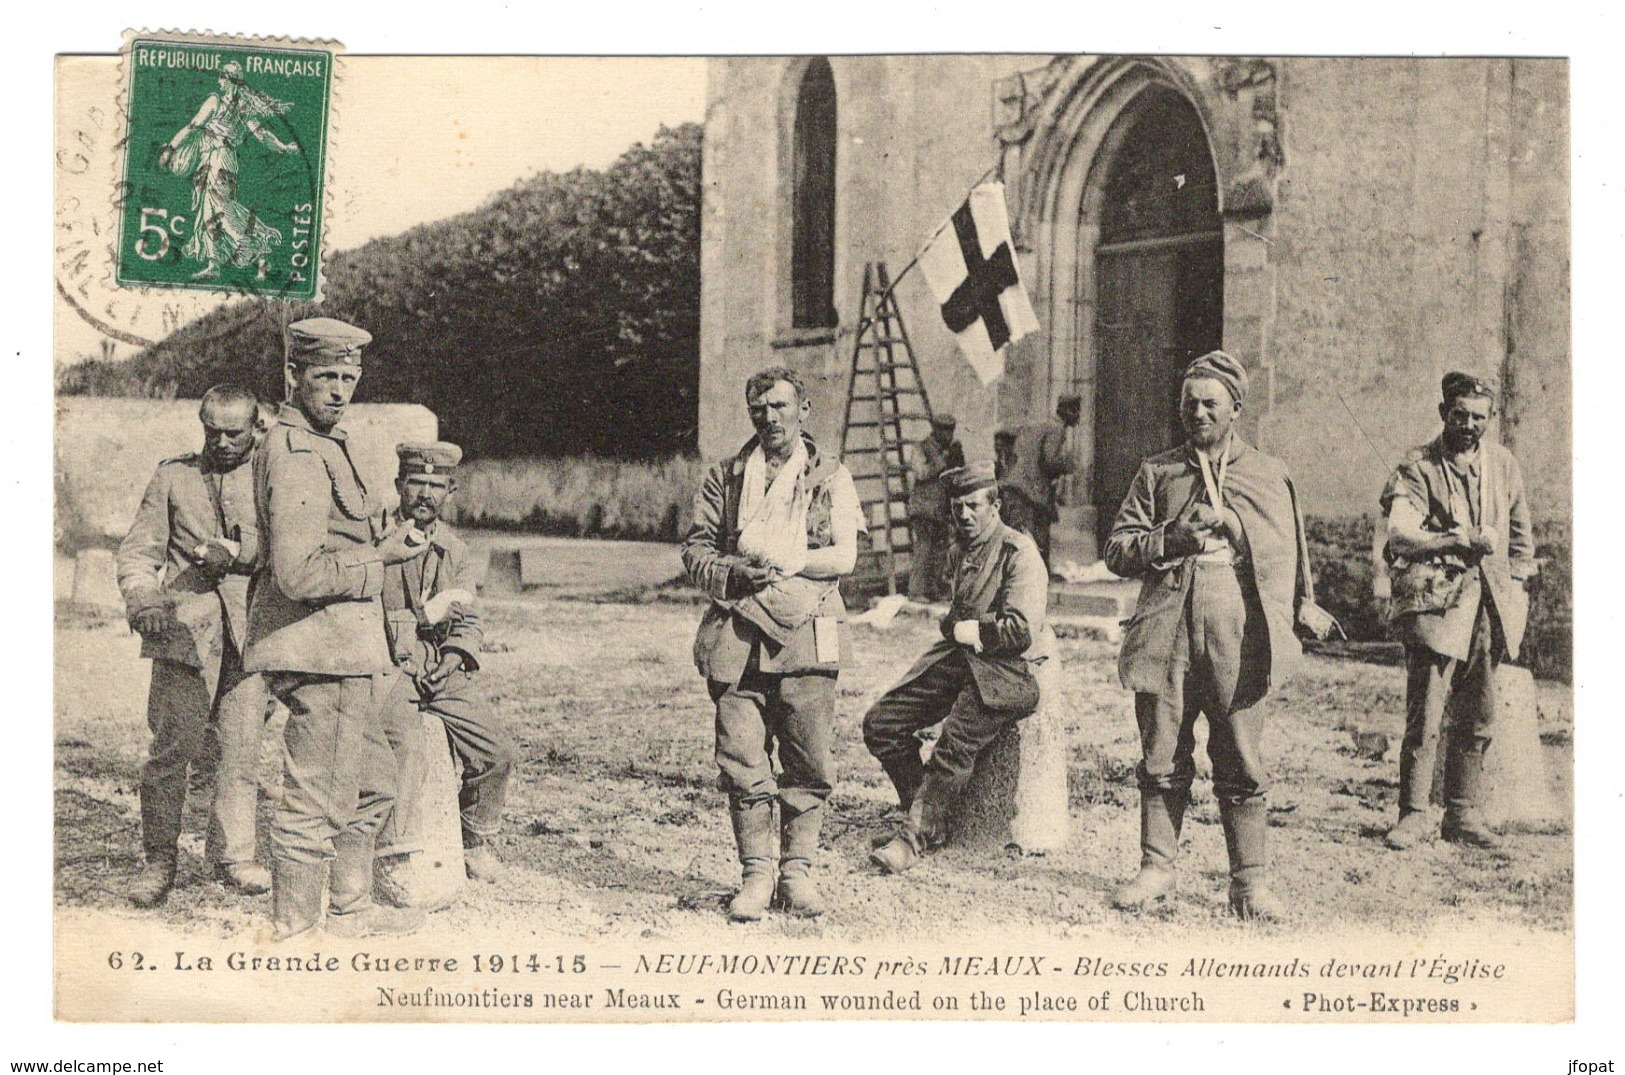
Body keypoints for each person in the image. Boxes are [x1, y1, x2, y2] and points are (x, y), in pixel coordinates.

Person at [1104, 351, 1325, 921]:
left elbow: (1289, 556)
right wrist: (1171, 537)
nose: (1197, 413)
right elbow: (1118, 551)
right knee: (1160, 751)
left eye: (1210, 404)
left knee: (1242, 755)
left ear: (1236, 410)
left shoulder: (1267, 474)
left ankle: (1249, 883)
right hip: (1168, 629)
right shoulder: (1158, 473)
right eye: (1189, 403)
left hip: (1239, 632)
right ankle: (1156, 869)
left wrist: (1238, 527)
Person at [244, 317, 431, 940]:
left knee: (373, 784)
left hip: (352, 651)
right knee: (316, 802)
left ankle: (349, 911)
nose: (339, 391)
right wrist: (382, 558)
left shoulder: (328, 443)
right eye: (326, 376)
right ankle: (295, 937)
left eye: (349, 378)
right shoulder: (297, 452)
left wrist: (381, 542)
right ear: (292, 376)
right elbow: (297, 574)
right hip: (322, 652)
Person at [681, 366, 861, 921]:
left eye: (781, 407)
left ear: (803, 410)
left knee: (808, 759)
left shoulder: (832, 476)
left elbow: (846, 557)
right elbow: (696, 551)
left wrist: (793, 562)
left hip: (809, 631)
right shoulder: (727, 478)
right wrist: (734, 575)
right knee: (740, 757)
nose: (770, 418)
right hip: (737, 632)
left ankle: (798, 873)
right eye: (759, 409)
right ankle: (757, 874)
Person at [116, 384, 272, 907]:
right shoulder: (173, 476)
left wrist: (242, 551)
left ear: (257, 428)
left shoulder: (274, 474)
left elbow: (290, 547)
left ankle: (233, 857)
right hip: (184, 636)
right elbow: (139, 553)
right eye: (213, 432)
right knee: (169, 753)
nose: (223, 443)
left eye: (235, 432)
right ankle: (158, 860)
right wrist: (146, 605)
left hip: (252, 636)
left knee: (241, 752)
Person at [865, 462, 1052, 873]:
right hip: (960, 659)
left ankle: (913, 839)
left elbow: (1019, 630)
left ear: (996, 505)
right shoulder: (960, 551)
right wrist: (955, 627)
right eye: (956, 508)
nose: (963, 516)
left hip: (1005, 672)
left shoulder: (1018, 552)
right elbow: (957, 616)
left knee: (953, 746)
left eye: (972, 506)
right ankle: (924, 813)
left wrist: (968, 629)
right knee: (882, 722)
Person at [1380, 372, 1535, 851]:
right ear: (1443, 412)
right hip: (1435, 604)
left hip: (1489, 603)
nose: (1468, 424)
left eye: (1478, 417)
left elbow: (1521, 537)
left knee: (1480, 711)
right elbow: (1399, 536)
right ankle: (1413, 814)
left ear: (1489, 419)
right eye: (1459, 414)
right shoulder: (1417, 467)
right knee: (1426, 710)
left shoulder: (1503, 465)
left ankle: (1464, 814)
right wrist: (1453, 539)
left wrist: (1517, 591)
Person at [372, 441, 518, 903]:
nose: (425, 495)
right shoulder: (374, 540)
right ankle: (391, 860)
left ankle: (474, 836)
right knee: (404, 751)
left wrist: (455, 657)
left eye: (436, 486)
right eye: (417, 483)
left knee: (498, 752)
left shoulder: (455, 549)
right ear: (400, 486)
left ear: (450, 492)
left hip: (440, 668)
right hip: (389, 664)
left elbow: (467, 617)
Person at [158, 60, 300, 280]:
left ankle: (255, 250)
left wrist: (170, 147)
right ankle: (219, 263)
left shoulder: (215, 102)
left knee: (220, 211)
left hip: (217, 159)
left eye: (223, 77)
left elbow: (192, 126)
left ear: (231, 80)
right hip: (224, 161)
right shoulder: (244, 107)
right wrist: (282, 147)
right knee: (214, 210)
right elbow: (261, 135)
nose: (219, 81)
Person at [1002, 394, 1080, 566]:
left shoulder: (1042, 424)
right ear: (1068, 410)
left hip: (1018, 489)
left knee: (1020, 541)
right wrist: (1067, 465)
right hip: (1028, 494)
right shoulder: (1056, 429)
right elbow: (1049, 461)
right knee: (1033, 542)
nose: (1078, 418)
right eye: (1076, 412)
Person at [906, 413, 964, 602]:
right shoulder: (921, 448)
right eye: (945, 431)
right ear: (936, 430)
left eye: (950, 431)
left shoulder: (951, 449)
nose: (948, 435)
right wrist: (942, 460)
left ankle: (932, 589)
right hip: (923, 508)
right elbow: (921, 473)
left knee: (940, 550)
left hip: (940, 509)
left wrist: (957, 461)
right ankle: (916, 591)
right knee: (924, 547)